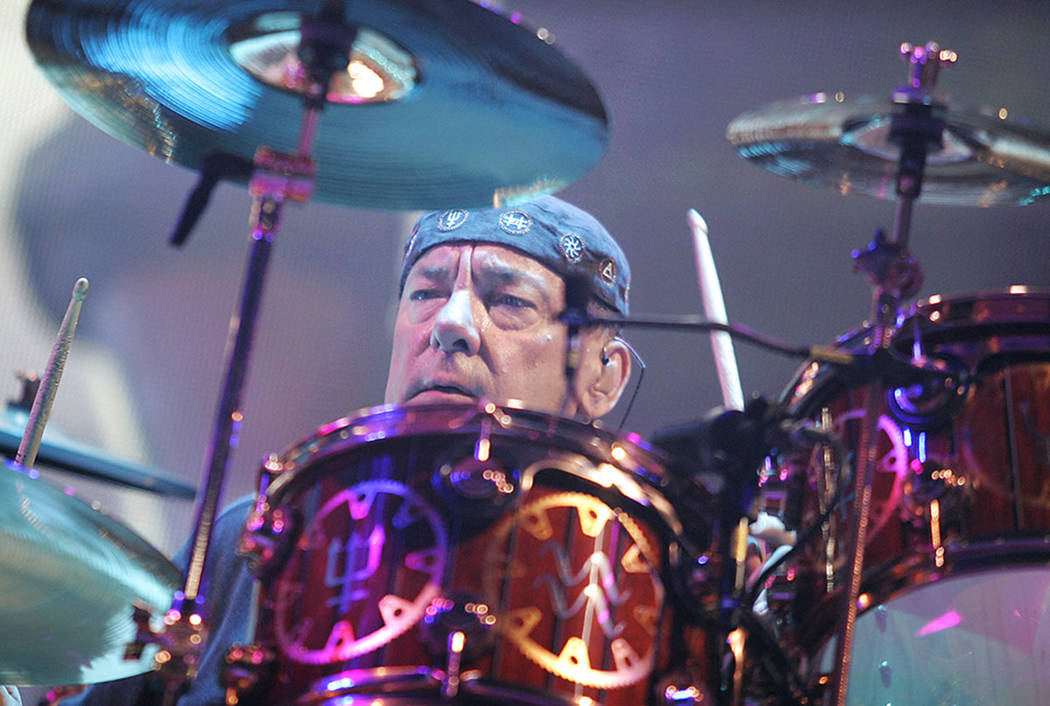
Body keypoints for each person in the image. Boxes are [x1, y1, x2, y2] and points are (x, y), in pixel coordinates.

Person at [38, 195, 634, 705]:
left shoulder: (633, 582)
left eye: (509, 302)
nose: (451, 324)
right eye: (426, 293)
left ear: (604, 376)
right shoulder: (256, 536)